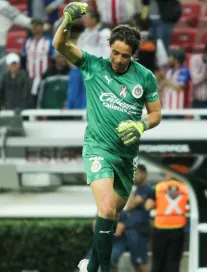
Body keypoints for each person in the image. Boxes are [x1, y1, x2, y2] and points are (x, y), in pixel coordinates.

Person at [52, 3, 162, 272]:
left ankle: (90, 267)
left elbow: (157, 113)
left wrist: (141, 125)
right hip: (98, 149)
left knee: (112, 215)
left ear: (133, 54)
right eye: (115, 52)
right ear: (109, 48)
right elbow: (59, 44)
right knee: (106, 208)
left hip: (126, 157)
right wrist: (67, 20)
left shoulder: (145, 77)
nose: (118, 59)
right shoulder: (93, 66)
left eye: (125, 55)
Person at [145, 174, 189, 272]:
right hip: (178, 229)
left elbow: (148, 206)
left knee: (157, 261)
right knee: (173, 262)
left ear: (168, 174)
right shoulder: (185, 188)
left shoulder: (158, 187)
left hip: (160, 229)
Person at [123, 164, 152, 272]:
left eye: (137, 173)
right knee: (136, 263)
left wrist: (131, 203)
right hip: (133, 229)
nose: (134, 176)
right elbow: (129, 205)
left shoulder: (146, 188)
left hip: (140, 229)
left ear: (144, 174)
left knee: (142, 263)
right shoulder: (138, 189)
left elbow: (132, 204)